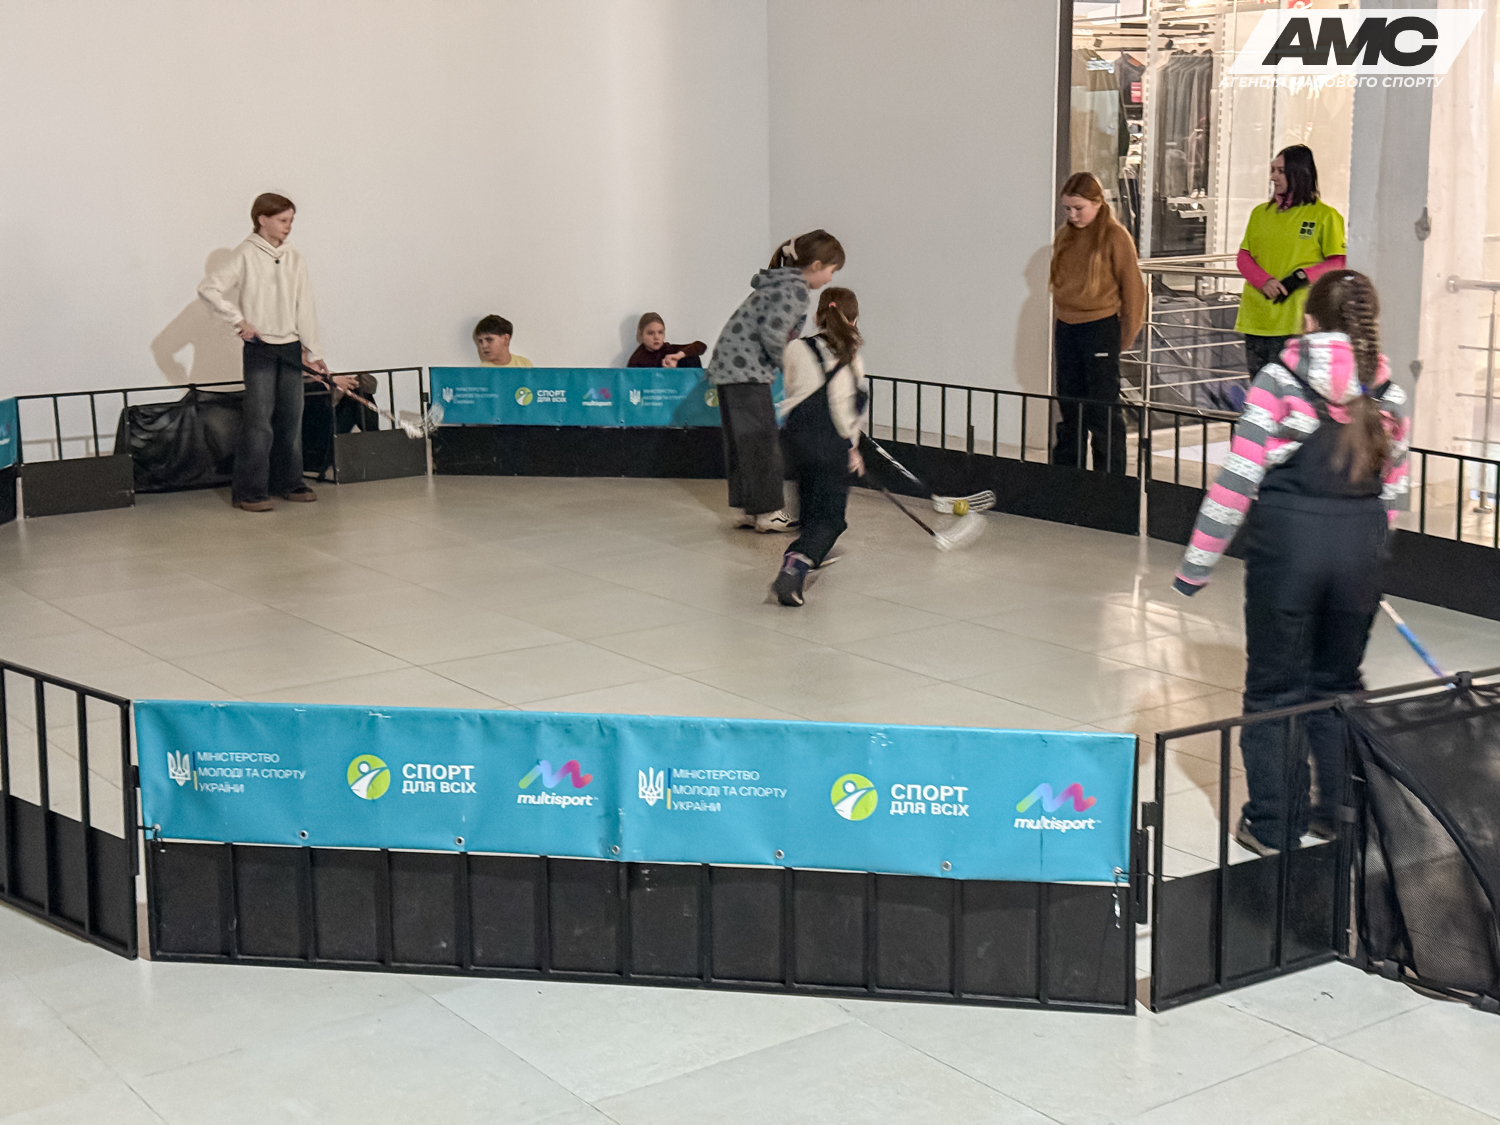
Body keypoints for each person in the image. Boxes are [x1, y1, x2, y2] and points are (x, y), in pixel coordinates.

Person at [1173, 271, 1409, 856]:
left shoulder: (1278, 380)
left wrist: (1196, 565)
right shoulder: (1388, 393)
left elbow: (1237, 481)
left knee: (1276, 691)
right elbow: (1394, 492)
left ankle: (1274, 826)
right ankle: (1342, 817)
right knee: (1339, 686)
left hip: (1289, 550)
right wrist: (1371, 560)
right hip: (1359, 549)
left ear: (1307, 321)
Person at [199, 192, 334, 512]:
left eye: (291, 221)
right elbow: (209, 288)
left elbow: (305, 306)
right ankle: (249, 491)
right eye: (282, 220)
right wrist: (238, 321)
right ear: (262, 219)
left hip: (290, 347)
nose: (288, 226)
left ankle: (290, 482)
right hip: (260, 348)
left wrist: (313, 351)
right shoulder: (245, 253)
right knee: (259, 420)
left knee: (291, 418)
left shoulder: (294, 257)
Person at [708, 229, 844, 533]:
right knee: (762, 441)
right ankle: (768, 512)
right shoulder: (795, 290)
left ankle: (748, 509)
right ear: (817, 265)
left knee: (743, 442)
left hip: (729, 368)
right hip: (748, 371)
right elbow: (773, 333)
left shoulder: (778, 283)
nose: (830, 279)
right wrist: (791, 368)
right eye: (831, 271)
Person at [772, 288, 867, 607]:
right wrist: (852, 447)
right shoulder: (851, 356)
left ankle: (813, 552)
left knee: (811, 509)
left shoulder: (796, 348)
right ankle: (797, 564)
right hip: (829, 442)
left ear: (817, 317)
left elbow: (793, 389)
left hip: (795, 439)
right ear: (854, 320)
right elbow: (845, 409)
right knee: (832, 519)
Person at [1049, 172, 1144, 475]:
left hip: (1100, 327)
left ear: (1098, 203)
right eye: (1067, 208)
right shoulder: (1064, 235)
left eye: (1079, 208)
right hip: (1067, 327)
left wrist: (1123, 338)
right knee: (1070, 405)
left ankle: (1109, 482)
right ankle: (1067, 477)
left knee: (1103, 411)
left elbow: (1134, 292)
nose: (1072, 215)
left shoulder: (1115, 237)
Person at [1235, 145, 1347, 380]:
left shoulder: (1325, 216)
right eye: (1272, 170)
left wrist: (1301, 277)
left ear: (1299, 173)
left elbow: (1338, 261)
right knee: (1260, 391)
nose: (1273, 177)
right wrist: (1263, 281)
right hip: (1256, 319)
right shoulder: (1260, 213)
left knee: (1293, 392)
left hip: (1297, 323)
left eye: (1281, 171)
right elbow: (1243, 256)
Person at [628, 314, 706, 368]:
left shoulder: (669, 349)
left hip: (677, 385)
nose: (656, 337)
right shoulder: (637, 359)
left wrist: (678, 356)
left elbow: (701, 346)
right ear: (641, 334)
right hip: (653, 387)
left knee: (690, 356)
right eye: (650, 333)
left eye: (660, 332)